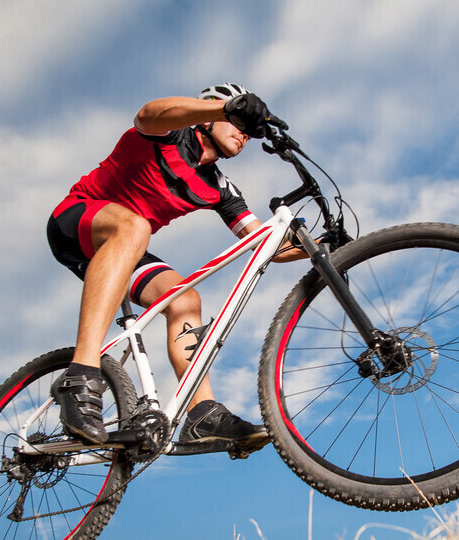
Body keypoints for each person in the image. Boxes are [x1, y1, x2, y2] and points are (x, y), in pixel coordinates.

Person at [46, 83, 296, 453]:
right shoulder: (172, 133)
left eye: (246, 128)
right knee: (135, 226)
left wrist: (324, 247)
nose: (242, 132)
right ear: (210, 110)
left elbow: (265, 244)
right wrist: (229, 107)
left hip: (126, 248)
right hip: (75, 221)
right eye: (236, 122)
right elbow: (148, 114)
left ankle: (202, 414)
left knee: (184, 299)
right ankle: (80, 374)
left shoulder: (220, 186)